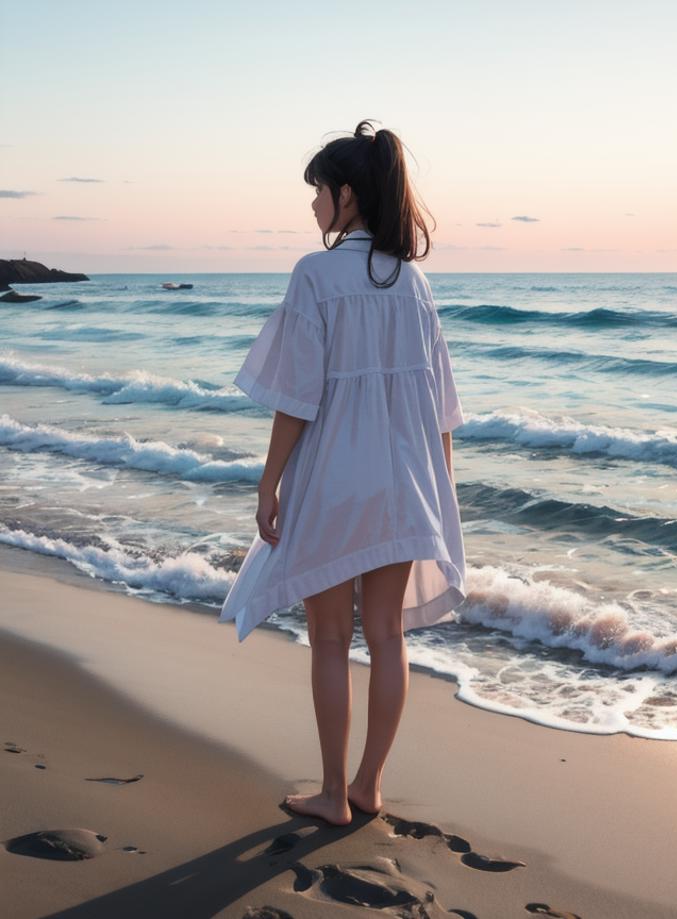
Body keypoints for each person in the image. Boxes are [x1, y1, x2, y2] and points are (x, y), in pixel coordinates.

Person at [218, 119, 467, 826]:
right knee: (386, 634)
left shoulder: (315, 274)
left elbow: (297, 396)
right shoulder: (414, 284)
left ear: (347, 195)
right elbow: (438, 402)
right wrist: (440, 489)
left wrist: (269, 483)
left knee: (330, 637)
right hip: (404, 483)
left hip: (336, 481)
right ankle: (369, 785)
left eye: (320, 191)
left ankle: (332, 793)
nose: (313, 205)